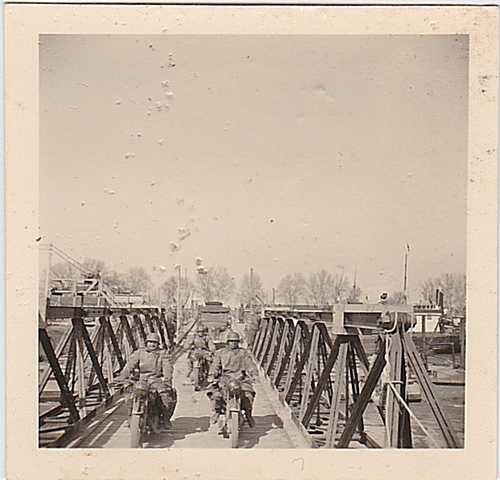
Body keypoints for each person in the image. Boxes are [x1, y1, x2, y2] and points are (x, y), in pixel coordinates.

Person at [117, 332, 177, 430]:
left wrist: (167, 382)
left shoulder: (163, 353)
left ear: (158, 344)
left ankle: (165, 418)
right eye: (150, 342)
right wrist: (122, 377)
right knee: (129, 394)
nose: (152, 344)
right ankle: (130, 416)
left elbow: (168, 368)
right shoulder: (140, 352)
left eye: (154, 342)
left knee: (165, 395)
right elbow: (129, 365)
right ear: (146, 342)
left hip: (155, 380)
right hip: (141, 379)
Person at [206, 330, 257, 431]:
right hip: (225, 378)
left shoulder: (243, 353)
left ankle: (248, 414)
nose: (233, 343)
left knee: (249, 394)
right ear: (227, 342)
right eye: (231, 341)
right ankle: (217, 411)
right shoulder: (220, 353)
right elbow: (215, 365)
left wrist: (253, 373)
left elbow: (250, 364)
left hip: (240, 378)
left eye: (235, 341)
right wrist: (212, 374)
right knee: (216, 394)